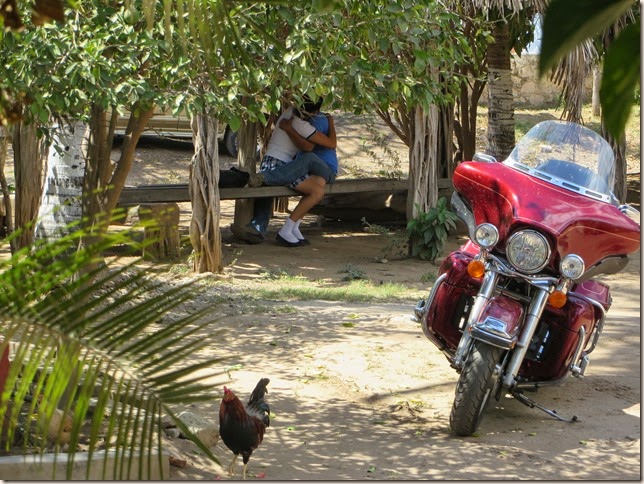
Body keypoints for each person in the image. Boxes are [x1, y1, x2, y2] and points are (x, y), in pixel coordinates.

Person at [231, 97, 338, 247]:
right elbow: (324, 145)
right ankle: (286, 229)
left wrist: (289, 129)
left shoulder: (289, 112)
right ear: (312, 112)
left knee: (316, 189)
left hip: (273, 162)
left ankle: (282, 228)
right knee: (316, 189)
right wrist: (331, 122)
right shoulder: (300, 124)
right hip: (279, 164)